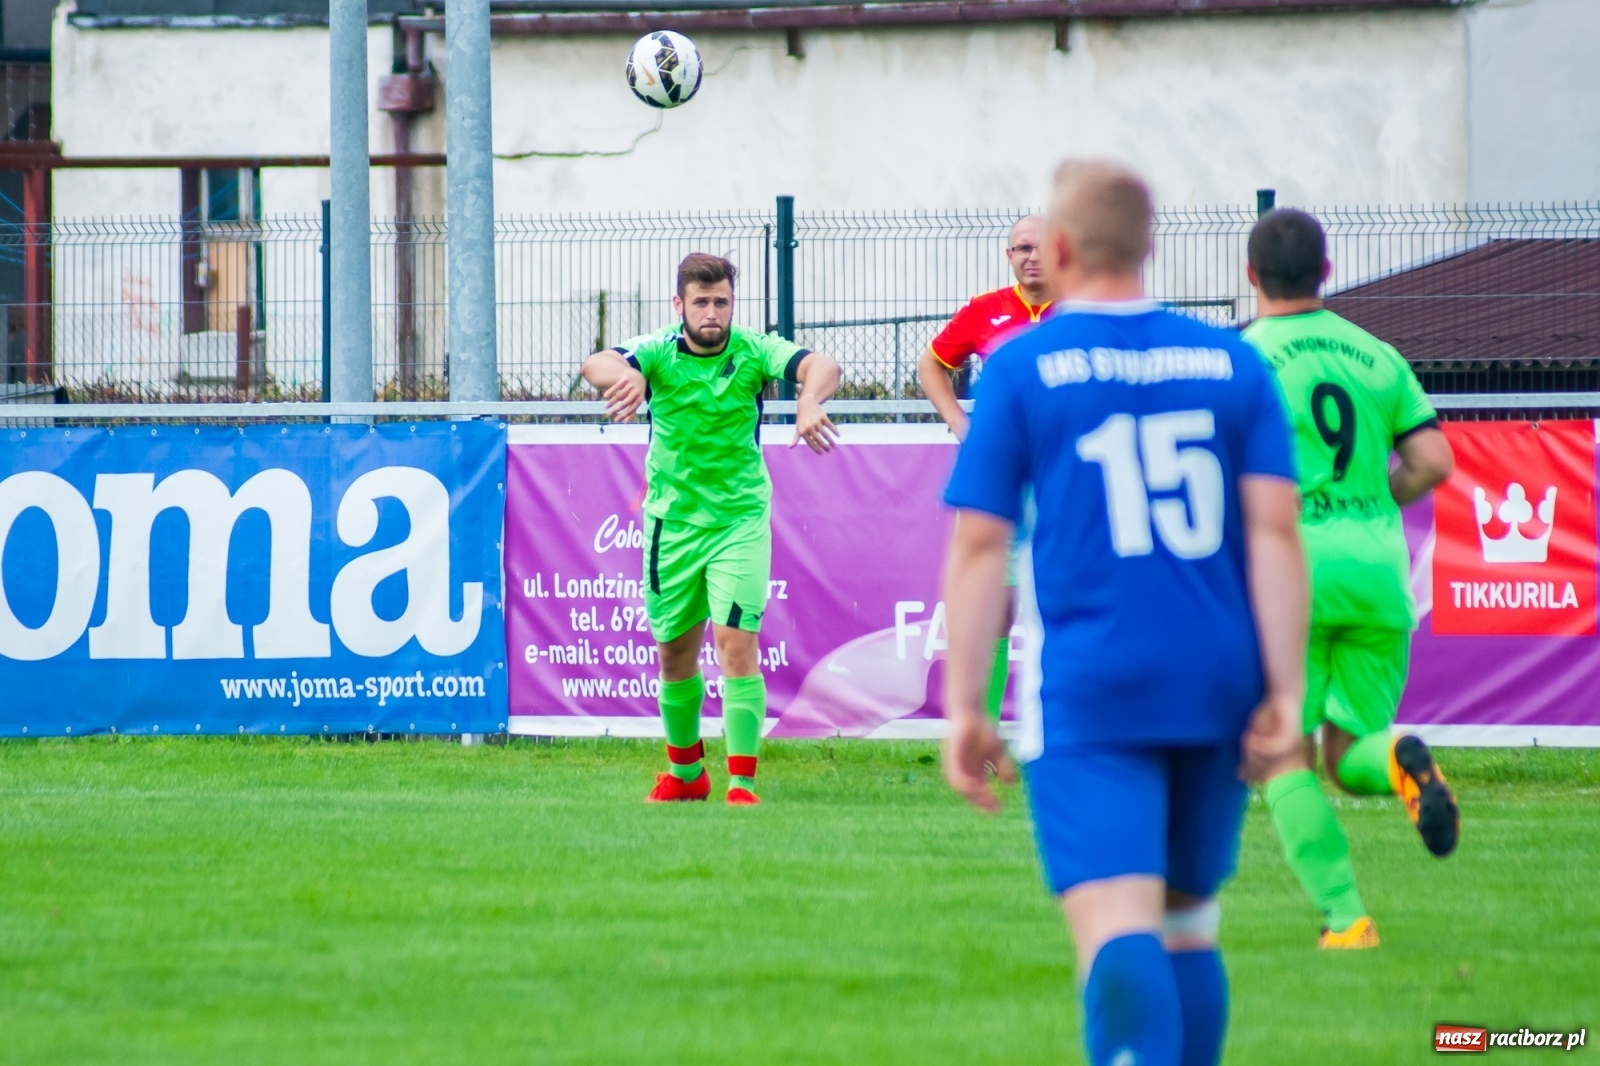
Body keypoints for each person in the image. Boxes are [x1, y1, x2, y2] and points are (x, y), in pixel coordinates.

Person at [942, 160, 1308, 1066]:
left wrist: (964, 706)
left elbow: (981, 547)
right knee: (1187, 920)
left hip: (1095, 681)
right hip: (1217, 677)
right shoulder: (1234, 361)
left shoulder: (1023, 367)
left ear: (1058, 250)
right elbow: (1274, 535)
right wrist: (1288, 692)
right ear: (1150, 248)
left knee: (1115, 922)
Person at [1244, 208, 1460, 950]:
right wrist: (1371, 506)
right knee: (1348, 749)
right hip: (1375, 568)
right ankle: (1401, 760)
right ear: (1326, 272)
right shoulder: (1377, 356)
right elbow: (1433, 462)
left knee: (1282, 752)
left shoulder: (1246, 360)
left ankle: (1347, 920)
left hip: (1289, 574)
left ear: (1250, 277)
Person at [581, 253, 841, 805]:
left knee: (735, 644)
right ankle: (686, 774)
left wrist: (809, 398)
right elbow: (596, 364)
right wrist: (625, 374)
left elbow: (822, 365)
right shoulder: (656, 352)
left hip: (739, 522)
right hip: (671, 528)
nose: (711, 312)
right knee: (674, 652)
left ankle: (741, 784)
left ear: (731, 303)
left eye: (720, 301)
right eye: (700, 302)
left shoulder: (754, 350)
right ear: (680, 305)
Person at [918, 214, 1053, 723]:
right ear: (1009, 256)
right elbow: (930, 363)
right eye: (1021, 248)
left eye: (1039, 247)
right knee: (994, 612)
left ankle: (1065, 736)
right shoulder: (985, 310)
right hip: (1004, 480)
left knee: (1066, 607)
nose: (1030, 256)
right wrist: (957, 419)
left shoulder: (1082, 309)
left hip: (1068, 477)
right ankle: (987, 737)